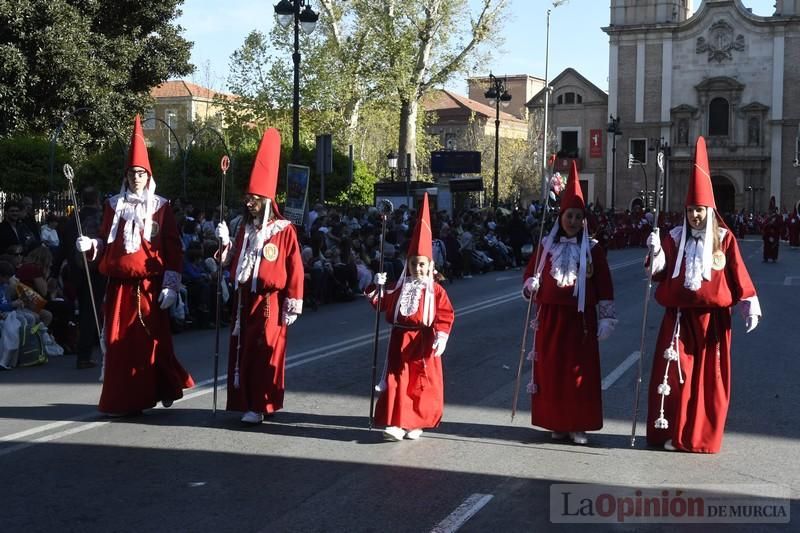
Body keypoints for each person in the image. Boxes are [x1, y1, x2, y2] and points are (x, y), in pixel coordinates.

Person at [644, 136, 761, 453]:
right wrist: (655, 252)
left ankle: (699, 437)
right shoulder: (674, 237)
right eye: (692, 210)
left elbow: (738, 273)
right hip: (679, 320)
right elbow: (657, 273)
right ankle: (671, 432)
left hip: (713, 323)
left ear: (710, 210)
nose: (696, 215)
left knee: (709, 380)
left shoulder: (724, 239)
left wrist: (749, 304)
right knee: (676, 374)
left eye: (701, 210)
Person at [76, 115, 194, 416]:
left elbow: (172, 248)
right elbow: (106, 239)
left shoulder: (161, 207)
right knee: (118, 344)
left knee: (150, 344)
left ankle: (162, 386)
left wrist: (170, 285)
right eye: (131, 173)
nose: (136, 178)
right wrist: (91, 246)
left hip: (149, 286)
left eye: (141, 173)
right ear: (126, 176)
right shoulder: (113, 205)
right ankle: (123, 399)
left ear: (148, 175)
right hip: (119, 287)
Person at [521, 161, 617, 445]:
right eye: (569, 216)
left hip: (581, 321)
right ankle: (556, 422)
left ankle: (579, 424)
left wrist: (607, 316)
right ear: (561, 217)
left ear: (584, 220)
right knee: (552, 372)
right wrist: (531, 285)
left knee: (579, 373)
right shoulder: (546, 246)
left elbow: (604, 283)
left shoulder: (594, 249)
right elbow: (530, 274)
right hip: (550, 319)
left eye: (577, 217)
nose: (573, 221)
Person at [215, 128, 304, 424]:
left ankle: (261, 404)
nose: (249, 203)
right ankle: (245, 401)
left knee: (264, 353)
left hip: (269, 302)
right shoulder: (244, 227)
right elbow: (235, 261)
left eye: (254, 198)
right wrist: (225, 244)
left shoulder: (283, 230)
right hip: (244, 300)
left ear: (265, 200)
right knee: (243, 352)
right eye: (247, 198)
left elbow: (294, 267)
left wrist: (294, 301)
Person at [369, 192, 455, 441]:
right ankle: (396, 421)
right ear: (408, 264)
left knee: (419, 383)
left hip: (422, 342)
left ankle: (416, 422)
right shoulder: (399, 286)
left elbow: (445, 313)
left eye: (422, 264)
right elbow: (382, 304)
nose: (418, 268)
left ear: (430, 266)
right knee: (397, 380)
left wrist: (441, 335)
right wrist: (379, 286)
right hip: (400, 340)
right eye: (414, 263)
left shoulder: (435, 290)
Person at [62, 186, 107, 369]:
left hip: (76, 271)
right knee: (91, 312)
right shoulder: (100, 218)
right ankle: (84, 354)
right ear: (97, 199)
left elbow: (64, 247)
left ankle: (86, 349)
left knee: (85, 311)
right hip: (95, 272)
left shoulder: (72, 220)